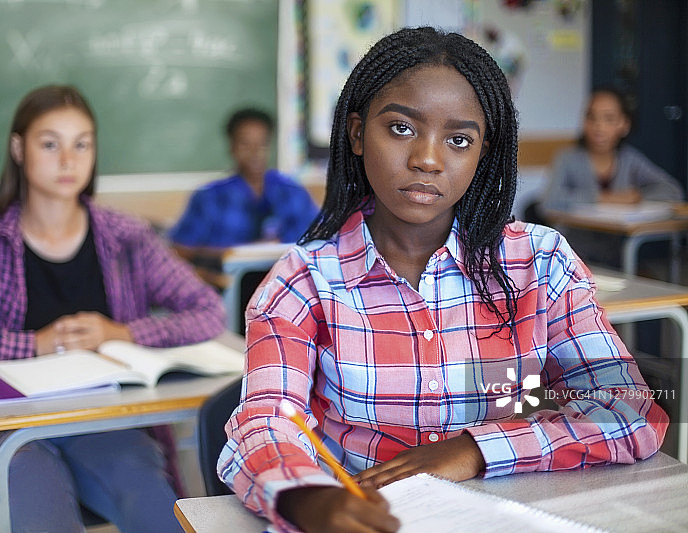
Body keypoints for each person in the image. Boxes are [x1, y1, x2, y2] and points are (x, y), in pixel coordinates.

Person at [217, 27, 668, 533]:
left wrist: (475, 449)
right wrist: (306, 499)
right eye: (403, 129)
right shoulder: (304, 281)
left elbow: (629, 408)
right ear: (358, 133)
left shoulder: (540, 263)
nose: (428, 159)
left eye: (458, 140)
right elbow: (266, 422)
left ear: (481, 154)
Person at [0, 85, 226, 532]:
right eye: (50, 144)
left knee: (155, 508)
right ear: (18, 148)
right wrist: (32, 343)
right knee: (40, 512)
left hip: (109, 424)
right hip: (15, 435)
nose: (68, 160)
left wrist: (122, 333)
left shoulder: (126, 236)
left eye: (82, 144)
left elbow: (208, 310)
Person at [168, 108, 319, 286]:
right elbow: (180, 251)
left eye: (262, 144)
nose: (255, 152)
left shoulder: (292, 192)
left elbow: (320, 241)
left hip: (287, 289)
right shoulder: (210, 197)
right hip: (227, 287)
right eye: (245, 144)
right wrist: (234, 255)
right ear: (232, 147)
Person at [539, 86, 684, 213]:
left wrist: (636, 197)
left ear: (624, 125)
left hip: (619, 242)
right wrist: (608, 198)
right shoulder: (568, 158)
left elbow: (673, 191)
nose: (598, 127)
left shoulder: (630, 159)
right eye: (591, 117)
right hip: (574, 241)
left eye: (609, 119)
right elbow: (549, 202)